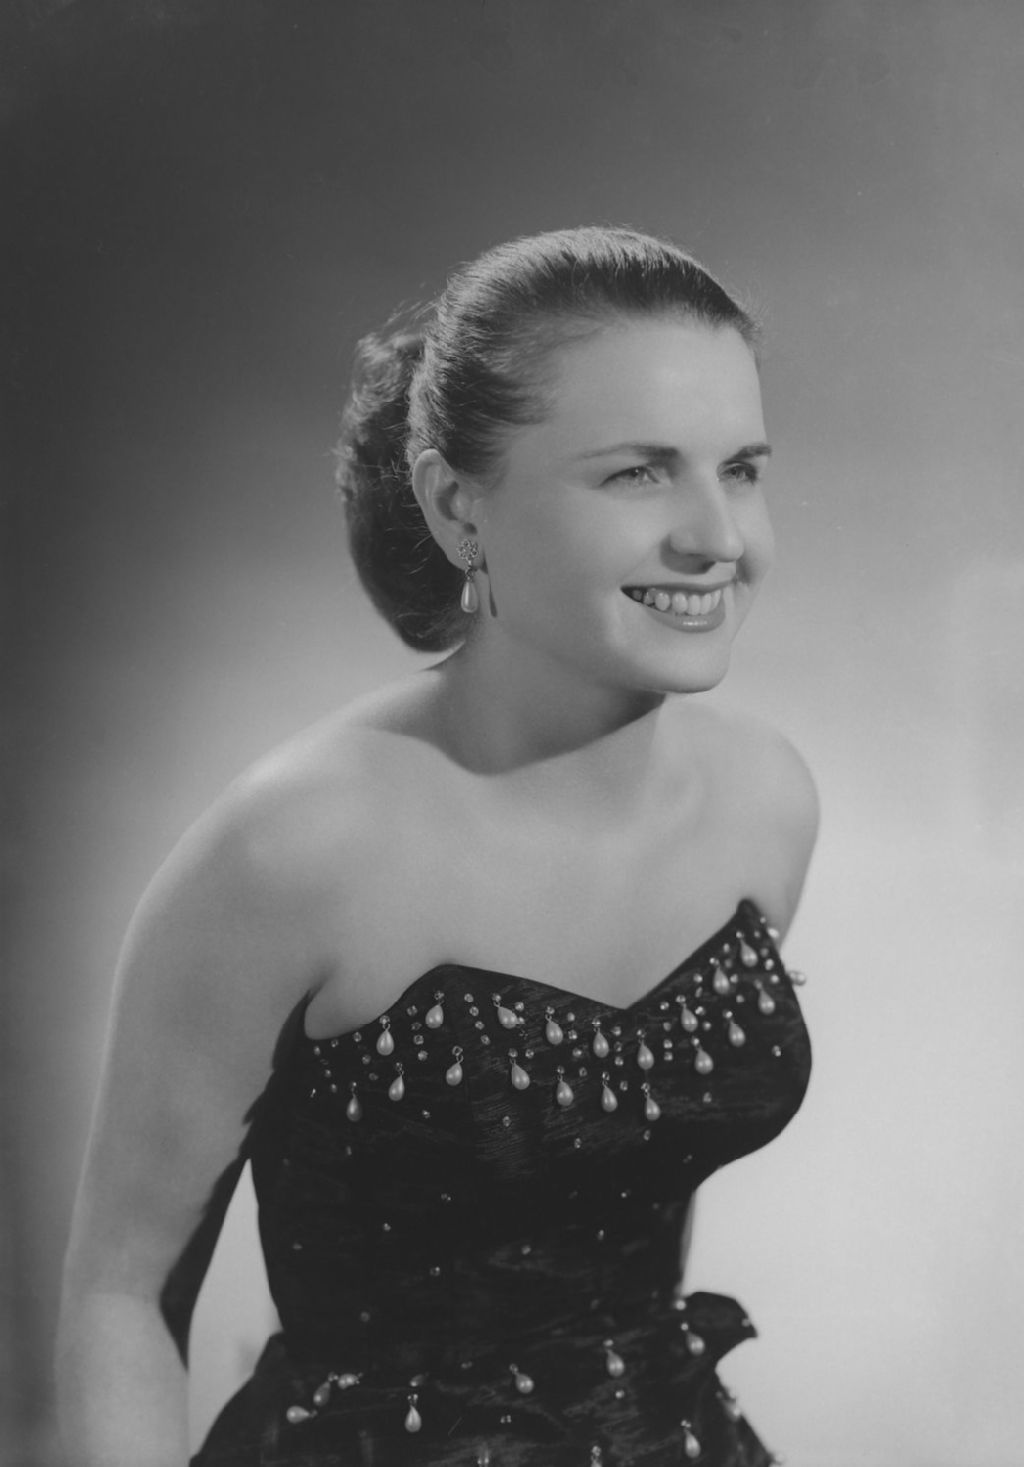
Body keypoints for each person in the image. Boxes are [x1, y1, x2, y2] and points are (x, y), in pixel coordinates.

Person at [57, 226, 818, 1467]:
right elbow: (118, 1297)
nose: (715, 535)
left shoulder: (766, 803)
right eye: (637, 474)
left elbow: (610, 1186)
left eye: (739, 469)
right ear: (456, 502)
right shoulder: (291, 853)